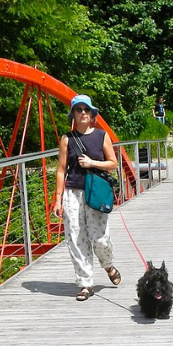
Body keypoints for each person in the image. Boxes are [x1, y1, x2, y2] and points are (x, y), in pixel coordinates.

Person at [51, 94, 121, 301]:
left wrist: (93, 163)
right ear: (72, 114)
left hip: (95, 192)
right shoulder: (67, 139)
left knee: (99, 238)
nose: (82, 113)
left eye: (86, 109)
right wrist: (57, 199)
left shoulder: (101, 135)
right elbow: (61, 170)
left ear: (91, 114)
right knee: (75, 238)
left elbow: (113, 163)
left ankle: (107, 264)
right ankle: (85, 284)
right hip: (72, 193)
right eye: (78, 109)